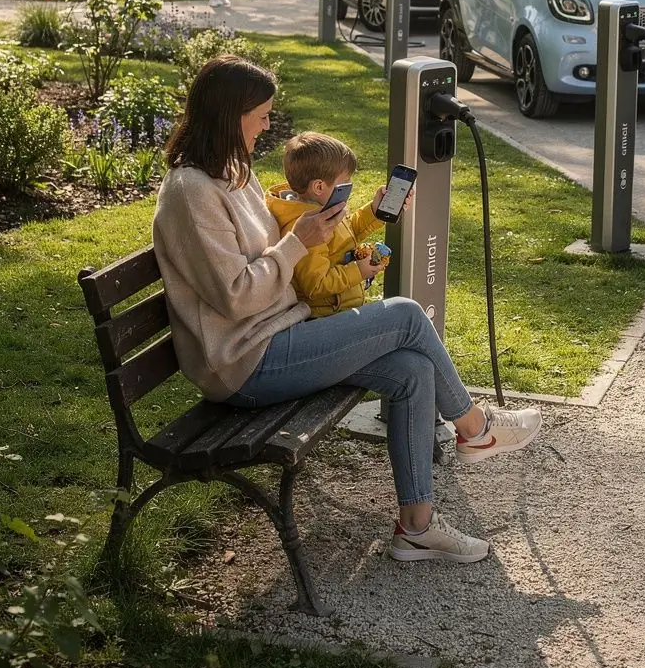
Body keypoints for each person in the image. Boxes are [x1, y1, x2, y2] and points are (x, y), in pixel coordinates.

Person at [152, 57, 544, 565]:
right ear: (231, 114)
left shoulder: (235, 174)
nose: (269, 125)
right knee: (404, 314)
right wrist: (296, 243)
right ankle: (475, 427)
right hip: (243, 363)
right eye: (262, 114)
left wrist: (343, 228)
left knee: (411, 369)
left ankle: (417, 527)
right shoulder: (190, 193)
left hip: (283, 333)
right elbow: (235, 295)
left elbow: (287, 251)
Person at [268, 132, 387, 317]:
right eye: (344, 183)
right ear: (319, 187)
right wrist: (358, 271)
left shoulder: (321, 209)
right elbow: (317, 285)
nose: (349, 188)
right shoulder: (306, 228)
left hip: (341, 310)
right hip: (325, 317)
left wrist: (374, 211)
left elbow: (345, 235)